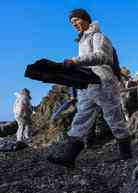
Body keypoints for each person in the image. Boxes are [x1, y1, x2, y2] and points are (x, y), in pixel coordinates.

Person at [47, 8, 132, 168]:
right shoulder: (82, 41)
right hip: (88, 85)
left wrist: (75, 61)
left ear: (85, 19)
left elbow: (103, 57)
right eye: (72, 23)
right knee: (81, 118)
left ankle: (126, 153)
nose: (74, 25)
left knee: (113, 117)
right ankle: (69, 157)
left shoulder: (98, 36)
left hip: (104, 82)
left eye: (76, 20)